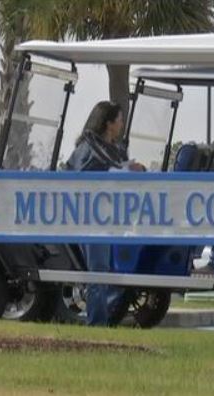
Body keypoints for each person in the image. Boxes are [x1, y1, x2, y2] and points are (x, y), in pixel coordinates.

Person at [66, 101, 145, 326]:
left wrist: (132, 169)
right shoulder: (87, 149)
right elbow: (79, 180)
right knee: (98, 271)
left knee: (109, 272)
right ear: (109, 123)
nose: (122, 125)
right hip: (90, 218)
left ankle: (104, 318)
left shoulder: (117, 150)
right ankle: (97, 323)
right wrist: (118, 171)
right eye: (119, 120)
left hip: (113, 217)